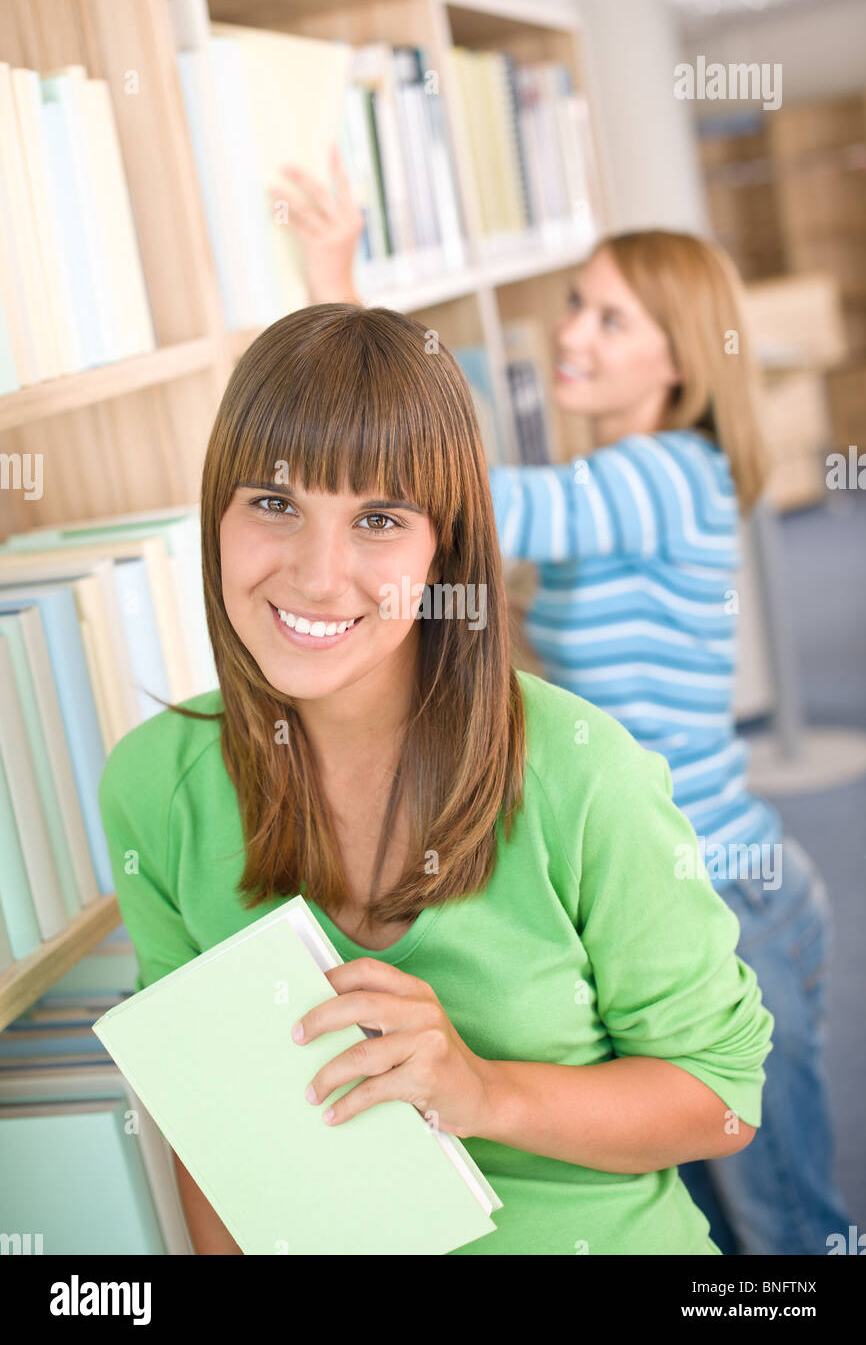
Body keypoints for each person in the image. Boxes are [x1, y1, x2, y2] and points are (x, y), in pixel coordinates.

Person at [98, 301, 774, 1256]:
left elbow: (719, 1105)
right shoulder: (151, 787)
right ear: (215, 514)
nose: (320, 574)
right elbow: (209, 1127)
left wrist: (483, 1091)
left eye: (378, 518)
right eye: (276, 503)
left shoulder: (585, 776)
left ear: (442, 550)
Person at [276, 159, 853, 1256]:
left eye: (608, 316)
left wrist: (338, 292)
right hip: (664, 880)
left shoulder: (666, 473)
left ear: (680, 356)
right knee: (711, 1217)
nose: (570, 333)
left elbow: (469, 501)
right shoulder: (627, 479)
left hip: (724, 886)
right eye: (576, 303)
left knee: (781, 1227)